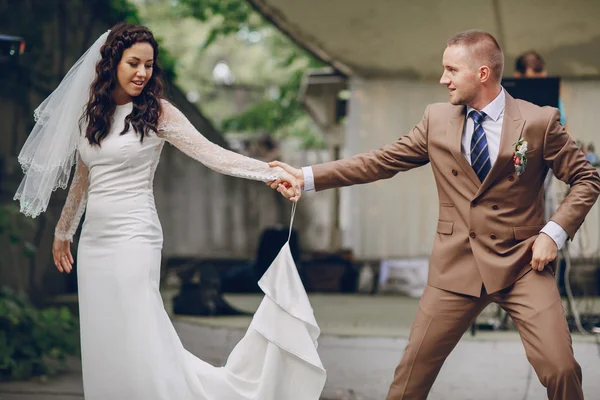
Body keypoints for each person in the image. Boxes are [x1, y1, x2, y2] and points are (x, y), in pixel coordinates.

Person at [270, 30, 600, 400]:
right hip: (456, 264)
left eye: (451, 70)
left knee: (562, 368)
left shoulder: (539, 121)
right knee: (409, 380)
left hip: (523, 263)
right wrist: (306, 177)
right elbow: (379, 161)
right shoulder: (435, 120)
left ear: (482, 73)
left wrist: (552, 233)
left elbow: (587, 177)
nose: (443, 79)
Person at [14, 23, 325, 400]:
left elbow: (213, 155)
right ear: (112, 63)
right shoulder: (90, 115)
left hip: (136, 236)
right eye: (133, 63)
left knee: (140, 328)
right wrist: (63, 233)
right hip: (95, 242)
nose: (142, 72)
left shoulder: (157, 113)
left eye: (148, 64)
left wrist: (270, 173)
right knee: (104, 332)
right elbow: (83, 180)